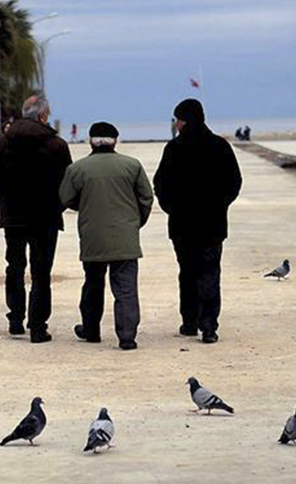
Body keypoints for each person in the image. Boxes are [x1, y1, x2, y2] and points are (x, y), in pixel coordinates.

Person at [153, 99, 242, 344]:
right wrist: (221, 204)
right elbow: (234, 182)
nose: (177, 124)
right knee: (210, 272)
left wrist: (171, 208)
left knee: (188, 272)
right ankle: (209, 325)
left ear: (186, 120)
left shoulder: (174, 148)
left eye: (178, 119)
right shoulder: (220, 146)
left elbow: (160, 184)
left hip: (182, 223)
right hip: (213, 223)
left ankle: (190, 322)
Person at [59, 122, 153, 350]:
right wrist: (134, 223)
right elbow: (146, 198)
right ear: (116, 141)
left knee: (92, 284)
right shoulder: (132, 165)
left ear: (91, 141)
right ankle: (127, 336)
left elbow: (65, 198)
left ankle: (91, 330)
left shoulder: (78, 169)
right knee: (126, 289)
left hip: (93, 236)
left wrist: (86, 206)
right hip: (125, 237)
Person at [0, 96, 72, 343]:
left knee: (14, 268)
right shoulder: (57, 145)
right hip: (46, 217)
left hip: (13, 216)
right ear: (43, 116)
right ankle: (37, 326)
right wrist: (58, 207)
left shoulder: (2, 142)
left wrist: (3, 202)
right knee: (41, 272)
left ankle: (15, 319)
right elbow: (68, 182)